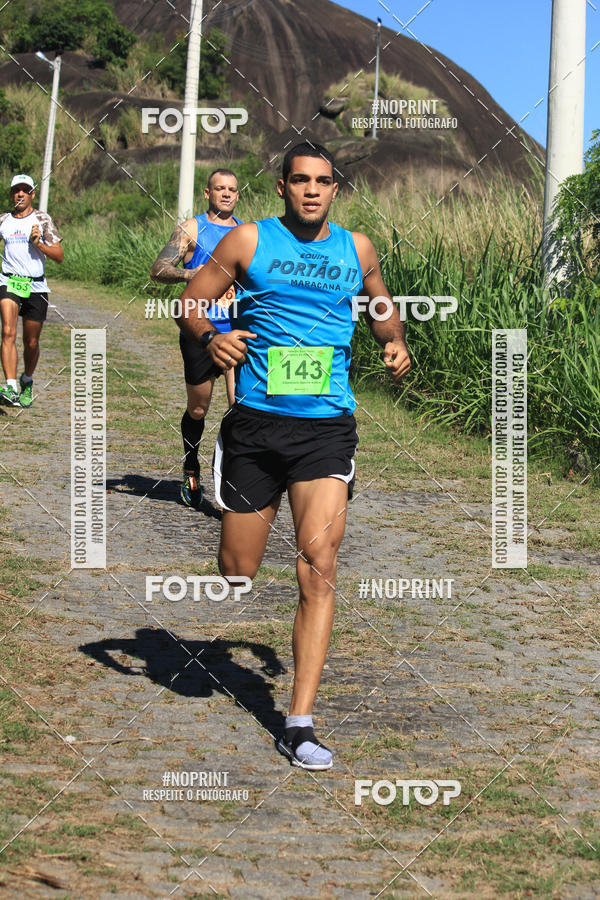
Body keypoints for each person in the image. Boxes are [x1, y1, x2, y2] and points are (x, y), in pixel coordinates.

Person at [179, 142, 410, 770]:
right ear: (282, 187)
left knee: (319, 561)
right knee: (238, 571)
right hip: (255, 425)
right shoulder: (247, 243)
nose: (313, 190)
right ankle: (231, 506)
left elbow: (380, 304)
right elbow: (192, 299)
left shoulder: (356, 248)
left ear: (335, 189)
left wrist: (392, 340)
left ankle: (300, 721)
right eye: (301, 181)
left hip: (325, 427)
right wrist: (213, 335)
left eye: (323, 182)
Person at [150, 169, 242, 508]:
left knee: (239, 407)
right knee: (199, 408)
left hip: (234, 329)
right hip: (198, 328)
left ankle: (233, 483)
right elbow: (158, 269)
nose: (227, 194)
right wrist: (195, 274)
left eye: (232, 189)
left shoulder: (246, 233)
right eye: (220, 189)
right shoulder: (192, 229)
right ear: (208, 193)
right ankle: (191, 464)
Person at [0, 174, 63, 407]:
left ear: (32, 194)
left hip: (36, 285)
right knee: (7, 331)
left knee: (31, 342)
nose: (20, 194)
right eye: (16, 190)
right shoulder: (4, 220)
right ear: (11, 194)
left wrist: (38, 243)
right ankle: (10, 386)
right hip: (8, 281)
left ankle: (26, 380)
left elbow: (59, 256)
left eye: (25, 190)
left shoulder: (42, 219)